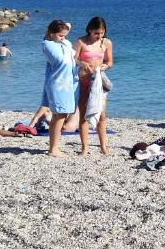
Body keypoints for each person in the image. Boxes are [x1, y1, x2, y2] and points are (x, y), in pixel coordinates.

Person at [74, 17, 113, 156]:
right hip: (83, 80)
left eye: (102, 33)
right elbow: (72, 58)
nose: (99, 36)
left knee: (101, 115)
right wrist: (82, 63)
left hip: (98, 81)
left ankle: (103, 147)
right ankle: (85, 148)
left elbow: (110, 62)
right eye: (96, 33)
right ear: (90, 30)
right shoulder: (80, 41)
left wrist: (104, 66)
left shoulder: (106, 42)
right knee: (84, 114)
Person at [41, 20, 77, 157]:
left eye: (65, 36)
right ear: (52, 34)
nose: (64, 39)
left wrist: (82, 63)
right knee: (59, 115)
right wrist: (65, 45)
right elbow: (61, 60)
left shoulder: (65, 44)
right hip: (58, 84)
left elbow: (72, 58)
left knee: (61, 115)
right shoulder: (47, 45)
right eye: (61, 36)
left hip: (68, 84)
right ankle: (53, 148)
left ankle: (54, 146)